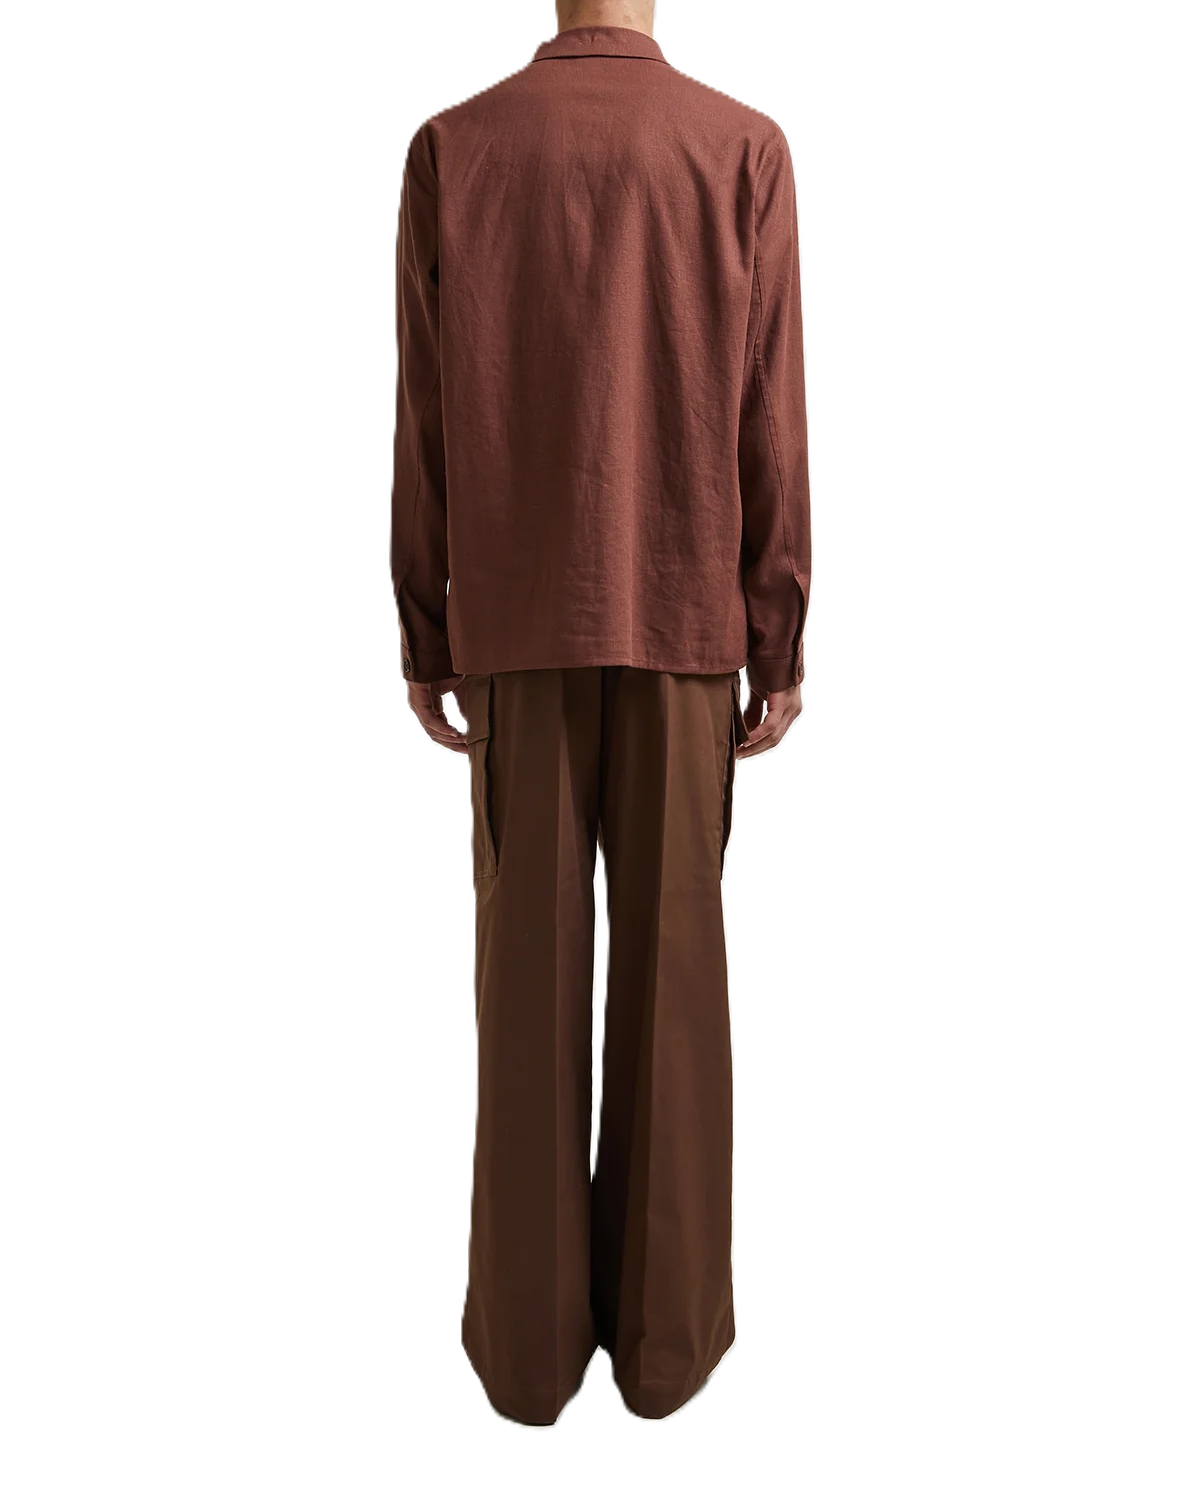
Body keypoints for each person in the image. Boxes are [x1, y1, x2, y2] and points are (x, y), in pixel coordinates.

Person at [388, 0, 811, 1426]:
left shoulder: (456, 145)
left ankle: (523, 1348)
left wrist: (427, 623)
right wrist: (776, 627)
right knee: (676, 978)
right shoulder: (740, 147)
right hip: (687, 618)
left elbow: (426, 411)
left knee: (524, 984)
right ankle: (666, 1340)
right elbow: (769, 411)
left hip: (517, 622)